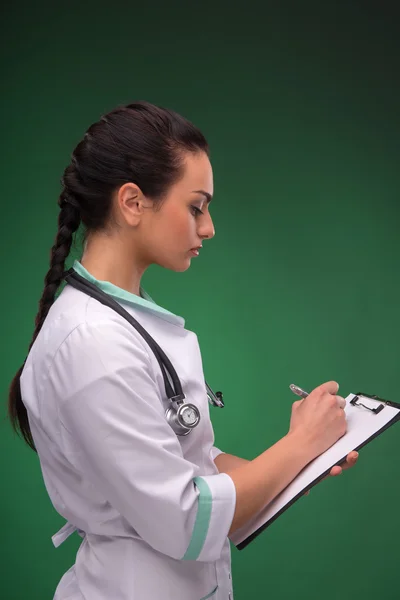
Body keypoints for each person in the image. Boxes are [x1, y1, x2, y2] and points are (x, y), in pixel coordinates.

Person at [8, 101, 358, 600]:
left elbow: (190, 465)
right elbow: (187, 520)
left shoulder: (122, 321)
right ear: (132, 203)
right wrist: (297, 445)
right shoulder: (93, 344)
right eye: (196, 206)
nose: (208, 227)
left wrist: (304, 459)